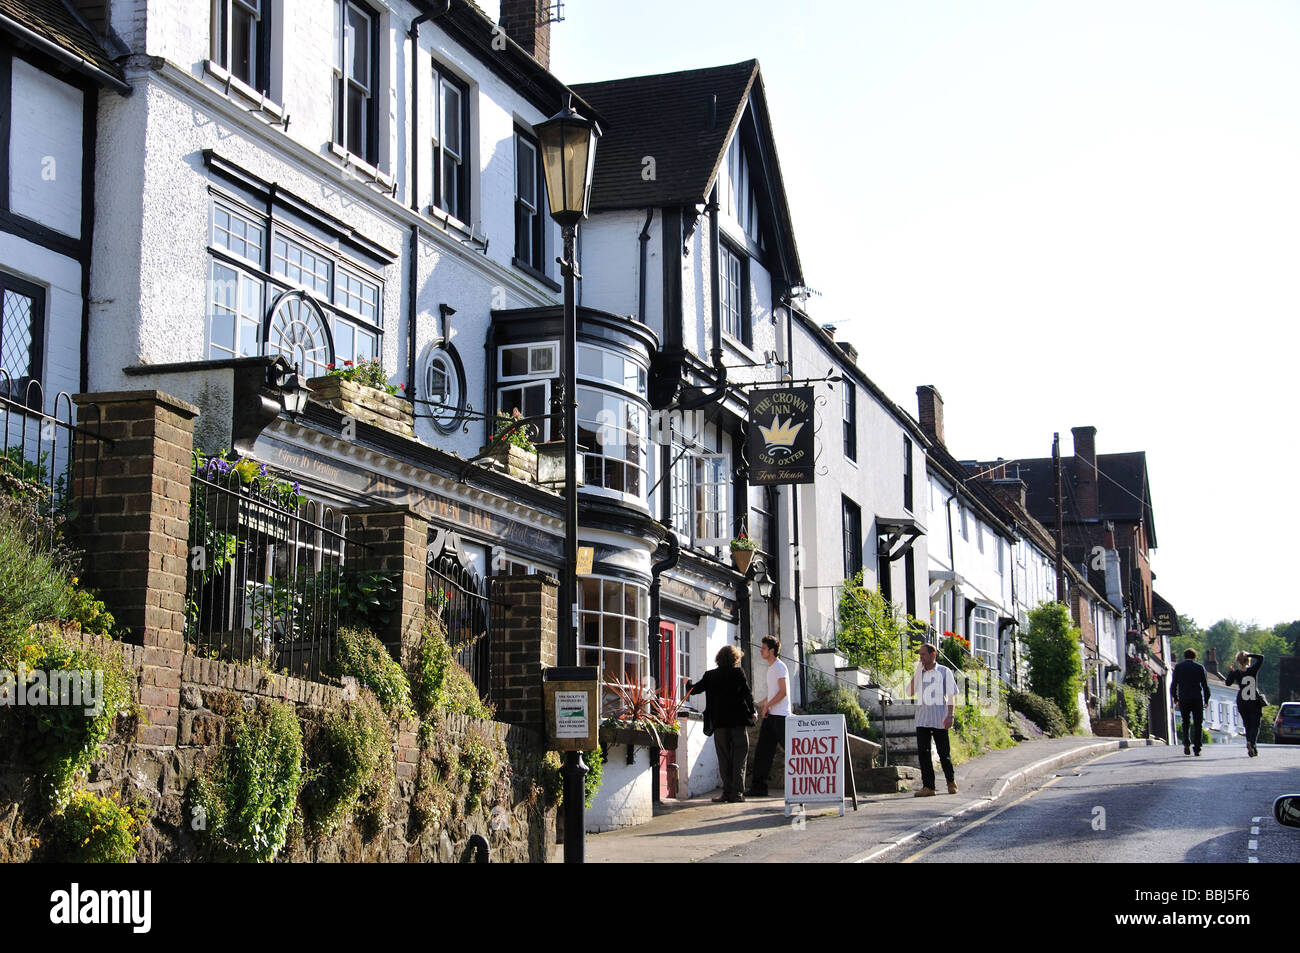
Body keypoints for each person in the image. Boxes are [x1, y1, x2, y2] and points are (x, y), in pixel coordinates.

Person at [683, 644, 757, 803]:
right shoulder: (738, 673)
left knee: (723, 758)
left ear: (719, 658)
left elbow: (694, 690)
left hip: (720, 723)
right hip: (738, 722)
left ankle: (727, 792)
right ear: (735, 659)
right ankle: (737, 794)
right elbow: (747, 694)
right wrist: (753, 711)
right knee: (739, 757)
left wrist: (687, 683)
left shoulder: (710, 676)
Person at [909, 642, 957, 796]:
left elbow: (950, 695)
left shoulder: (944, 671)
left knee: (944, 754)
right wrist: (917, 672)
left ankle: (951, 781)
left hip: (939, 718)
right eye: (920, 655)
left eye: (923, 654)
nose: (920, 657)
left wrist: (950, 715)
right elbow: (909, 692)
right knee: (924, 754)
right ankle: (928, 787)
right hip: (922, 719)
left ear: (933, 655)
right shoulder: (919, 672)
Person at [748, 636, 790, 797]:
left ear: (771, 651)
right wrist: (760, 704)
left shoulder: (779, 667)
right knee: (763, 752)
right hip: (772, 716)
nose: (761, 650)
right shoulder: (772, 668)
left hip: (780, 717)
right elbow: (773, 694)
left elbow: (783, 693)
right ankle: (759, 788)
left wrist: (767, 705)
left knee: (792, 751)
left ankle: (808, 782)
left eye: (763, 648)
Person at [1224, 650, 1266, 757]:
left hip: (1242, 700)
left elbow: (1228, 683)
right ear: (1248, 660)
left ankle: (1251, 744)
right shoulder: (1252, 670)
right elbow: (1261, 657)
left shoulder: (1236, 673)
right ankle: (1252, 743)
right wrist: (1249, 655)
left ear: (1238, 661)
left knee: (1247, 724)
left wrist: (1231, 671)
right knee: (1255, 724)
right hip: (1253, 699)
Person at [1171, 648, 1211, 756]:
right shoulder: (1199, 667)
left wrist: (1175, 697)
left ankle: (1186, 743)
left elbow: (1174, 684)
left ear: (1184, 656)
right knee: (1198, 724)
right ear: (1195, 656)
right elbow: (1205, 686)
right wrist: (1206, 699)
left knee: (1185, 722)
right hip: (1196, 698)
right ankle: (1197, 748)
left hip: (1184, 698)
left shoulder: (1178, 667)